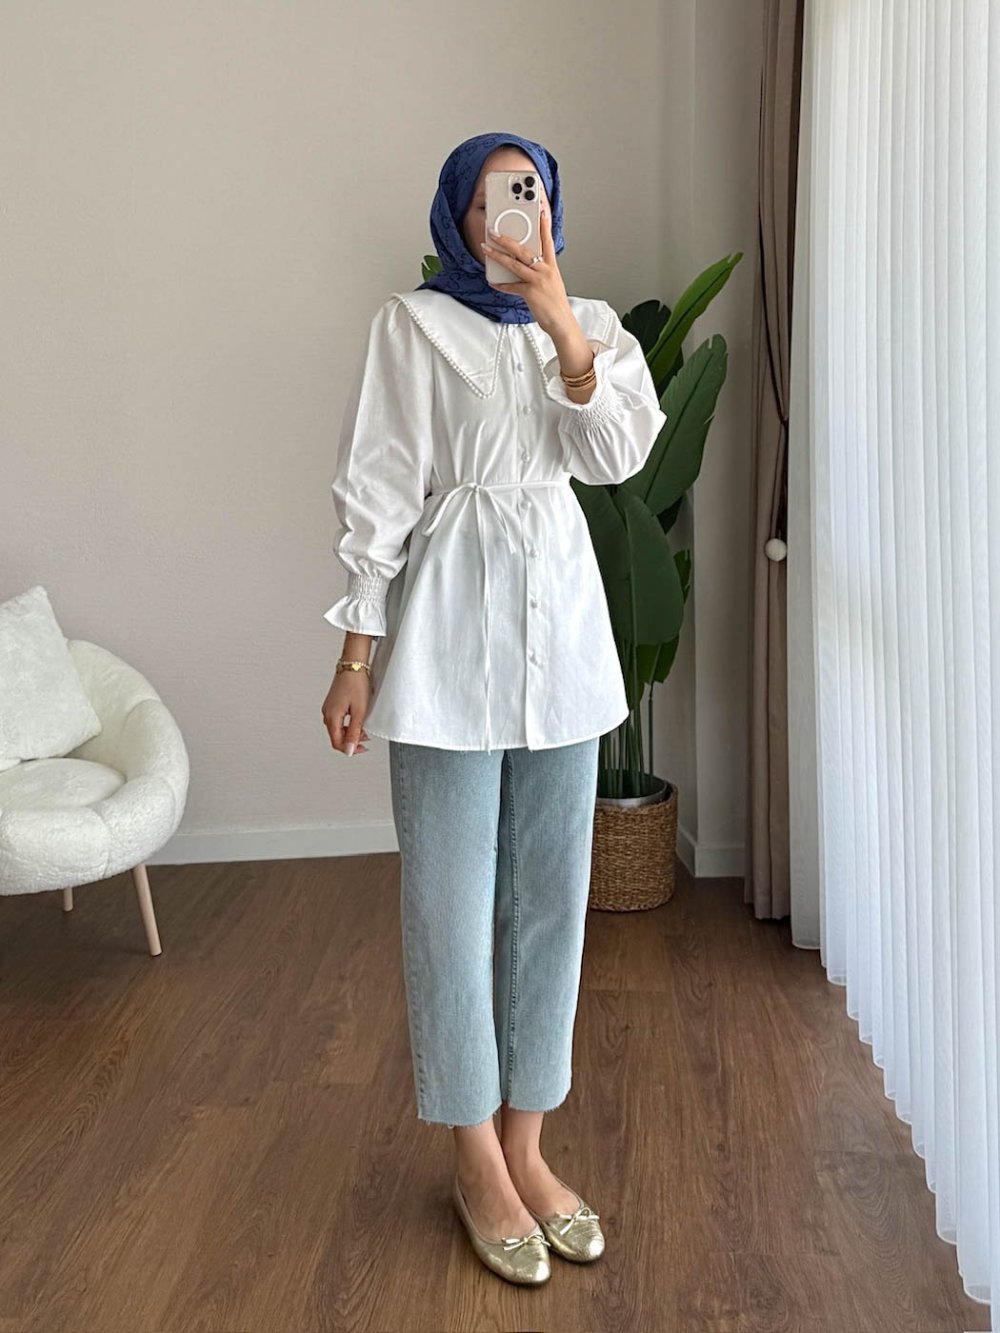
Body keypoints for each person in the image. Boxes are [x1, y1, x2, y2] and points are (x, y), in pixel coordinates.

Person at [320, 132, 666, 1285]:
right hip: (446, 640)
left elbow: (612, 457)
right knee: (448, 906)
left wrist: (560, 321)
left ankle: (527, 1145)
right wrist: (356, 654)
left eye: (525, 195)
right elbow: (378, 489)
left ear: (550, 205)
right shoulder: (412, 326)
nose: (506, 217)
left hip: (563, 642)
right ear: (454, 218)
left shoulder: (596, 328)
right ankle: (472, 1154)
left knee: (549, 905)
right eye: (486, 200)